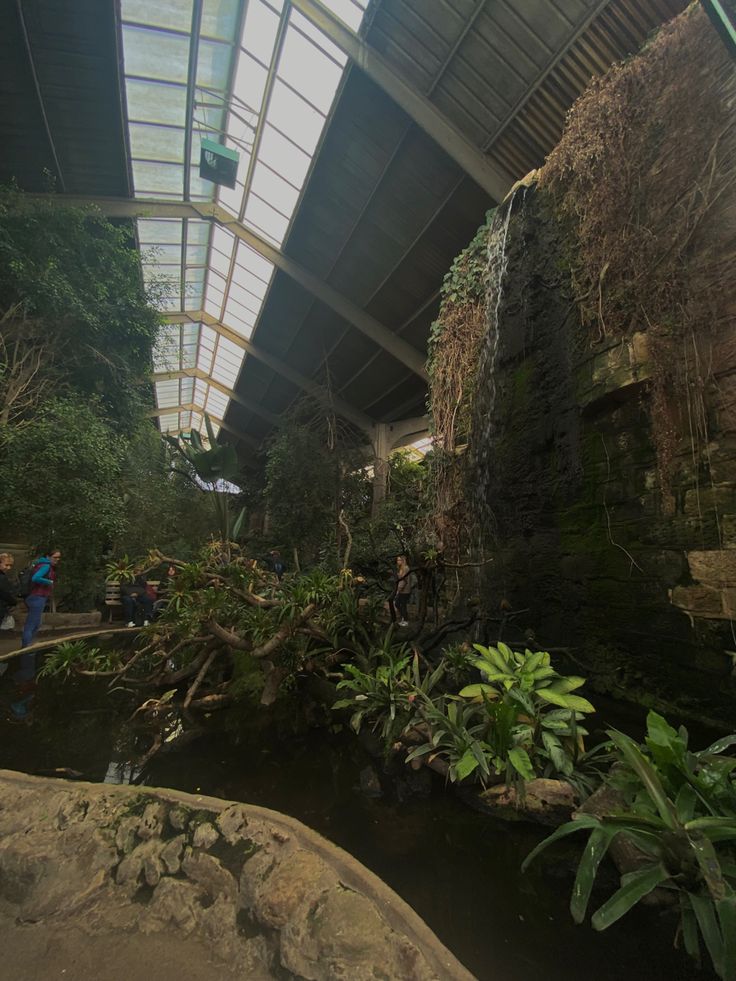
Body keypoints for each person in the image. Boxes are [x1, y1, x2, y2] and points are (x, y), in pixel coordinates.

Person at [0, 552, 19, 630]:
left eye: (10, 565)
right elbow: (6, 593)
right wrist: (14, 602)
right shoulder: (2, 578)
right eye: (6, 565)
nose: (8, 568)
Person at [393, 555, 412, 627]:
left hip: (405, 591)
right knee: (397, 603)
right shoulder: (401, 568)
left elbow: (404, 581)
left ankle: (406, 620)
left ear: (403, 561)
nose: (398, 562)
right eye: (397, 560)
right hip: (401, 590)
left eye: (399, 560)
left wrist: (398, 589)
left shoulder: (406, 568)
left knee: (402, 605)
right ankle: (404, 617)